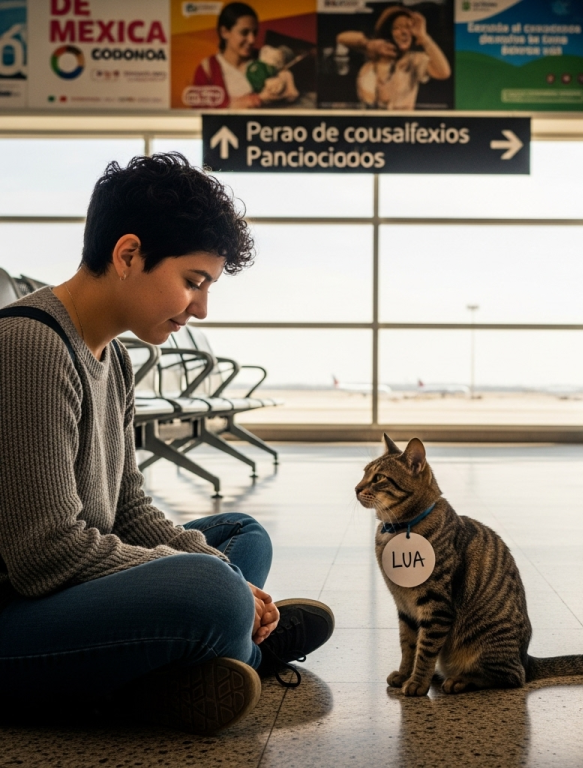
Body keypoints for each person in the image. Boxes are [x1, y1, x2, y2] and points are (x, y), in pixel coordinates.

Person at [0, 153, 333, 735]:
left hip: (70, 583)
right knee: (213, 590)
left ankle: (204, 657)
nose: (201, 308)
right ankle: (236, 651)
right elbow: (45, 555)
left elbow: (128, 508)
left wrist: (213, 565)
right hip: (20, 615)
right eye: (192, 282)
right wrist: (218, 581)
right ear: (128, 255)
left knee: (238, 536)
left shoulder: (117, 358)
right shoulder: (30, 346)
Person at [337, 6, 451, 110]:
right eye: (398, 27)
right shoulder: (370, 65)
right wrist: (368, 44)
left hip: (403, 128)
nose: (405, 32)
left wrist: (424, 37)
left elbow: (443, 72)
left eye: (408, 27)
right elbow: (341, 38)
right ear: (387, 32)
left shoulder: (414, 61)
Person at [192, 2, 299, 109]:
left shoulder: (264, 57)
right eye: (244, 32)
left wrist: (282, 81)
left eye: (254, 32)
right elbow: (199, 114)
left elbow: (288, 59)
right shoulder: (207, 69)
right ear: (224, 32)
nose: (252, 40)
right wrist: (258, 99)